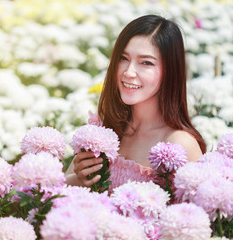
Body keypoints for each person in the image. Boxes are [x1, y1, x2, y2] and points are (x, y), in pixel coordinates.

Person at [65, 14, 206, 191]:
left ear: (170, 71)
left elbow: (197, 215)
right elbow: (58, 193)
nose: (129, 72)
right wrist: (80, 178)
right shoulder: (104, 127)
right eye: (123, 58)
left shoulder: (180, 145)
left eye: (146, 62)